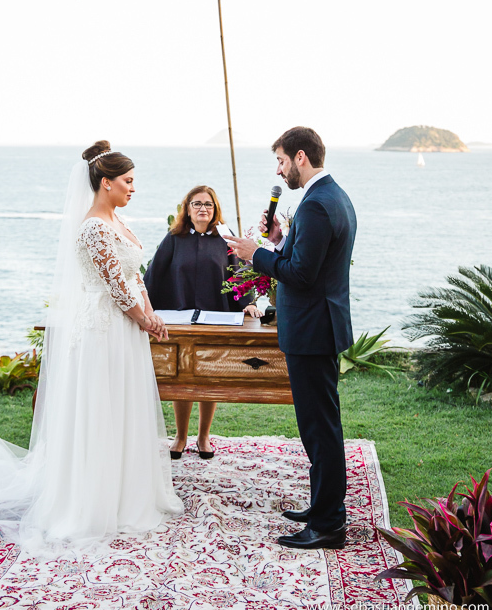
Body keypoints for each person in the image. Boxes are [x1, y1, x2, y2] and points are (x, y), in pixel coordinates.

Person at [0, 141, 183, 552]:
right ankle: (93, 501)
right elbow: (113, 284)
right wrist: (143, 318)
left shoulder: (119, 223)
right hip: (103, 330)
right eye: (128, 181)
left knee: (124, 407)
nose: (132, 188)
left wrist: (151, 312)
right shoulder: (92, 228)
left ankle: (129, 491)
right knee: (101, 410)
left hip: (127, 328)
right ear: (106, 183)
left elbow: (134, 276)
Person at [226, 127, 356, 551]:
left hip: (313, 331)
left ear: (300, 157)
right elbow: (306, 262)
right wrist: (279, 240)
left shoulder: (318, 205)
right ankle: (323, 508)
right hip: (319, 326)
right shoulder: (330, 197)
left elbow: (300, 275)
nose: (279, 170)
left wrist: (255, 253)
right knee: (319, 426)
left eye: (281, 161)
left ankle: (328, 524)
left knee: (319, 429)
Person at [144, 185, 259, 460]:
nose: (203, 209)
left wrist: (249, 303)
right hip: (180, 319)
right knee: (183, 379)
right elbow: (153, 275)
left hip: (215, 318)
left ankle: (204, 436)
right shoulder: (173, 239)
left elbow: (240, 272)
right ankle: (181, 437)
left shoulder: (226, 240)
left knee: (209, 376)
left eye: (208, 204)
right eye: (197, 204)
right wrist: (145, 309)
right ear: (188, 208)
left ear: (215, 209)